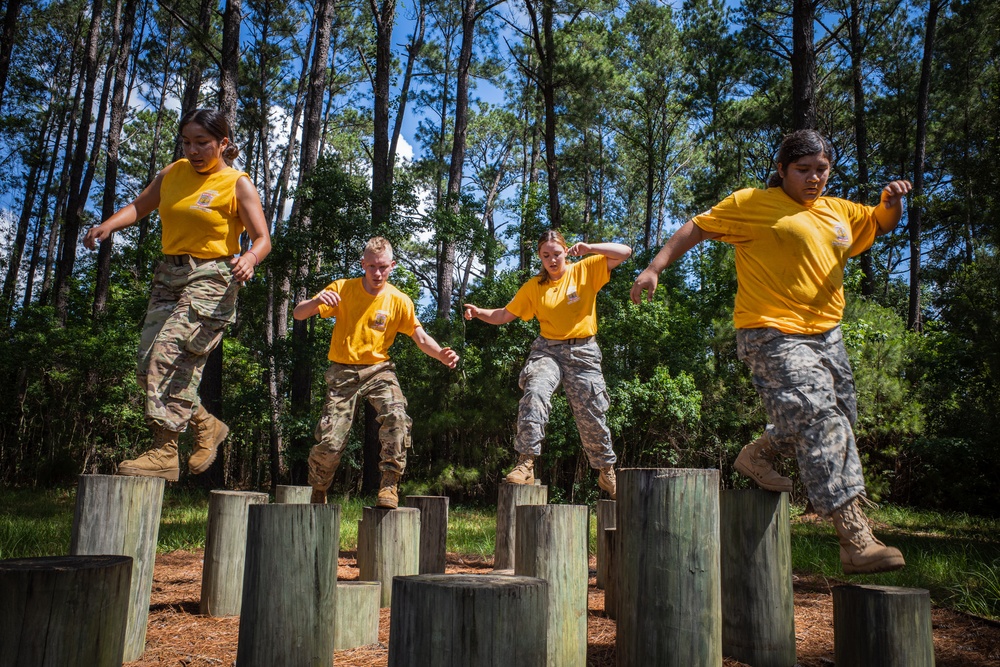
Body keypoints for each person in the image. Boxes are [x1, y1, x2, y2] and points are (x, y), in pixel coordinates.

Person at [630, 129, 911, 574]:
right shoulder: (752, 204)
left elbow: (877, 222)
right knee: (820, 418)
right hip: (771, 333)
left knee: (840, 415)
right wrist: (654, 268)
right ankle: (855, 538)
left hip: (828, 335)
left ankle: (759, 452)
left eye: (821, 169)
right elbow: (695, 228)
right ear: (782, 170)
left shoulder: (839, 211)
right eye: (803, 170)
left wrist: (891, 202)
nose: (814, 178)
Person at [83, 108, 271, 482]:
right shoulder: (173, 173)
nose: (193, 150)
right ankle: (205, 425)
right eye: (187, 142)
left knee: (168, 355)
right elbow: (140, 206)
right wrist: (107, 225)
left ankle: (165, 451)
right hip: (170, 274)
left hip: (213, 275)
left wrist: (250, 257)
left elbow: (263, 238)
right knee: (145, 366)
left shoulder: (237, 183)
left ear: (223, 143)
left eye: (202, 143)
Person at [294, 237, 459, 509]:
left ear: (392, 265)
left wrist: (441, 353)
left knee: (396, 416)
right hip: (343, 371)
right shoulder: (342, 289)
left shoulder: (399, 300)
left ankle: (389, 485)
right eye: (371, 266)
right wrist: (315, 301)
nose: (377, 273)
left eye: (383, 267)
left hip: (379, 370)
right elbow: (299, 314)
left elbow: (419, 336)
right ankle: (319, 487)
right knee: (331, 440)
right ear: (363, 265)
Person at [464, 231, 632, 498]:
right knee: (536, 391)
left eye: (556, 254)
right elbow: (506, 313)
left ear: (566, 251)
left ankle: (605, 471)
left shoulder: (585, 270)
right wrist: (479, 312)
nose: (552, 260)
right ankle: (526, 462)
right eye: (546, 256)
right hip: (548, 350)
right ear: (540, 258)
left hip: (583, 351)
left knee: (592, 411)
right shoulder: (535, 286)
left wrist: (589, 247)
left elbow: (624, 251)